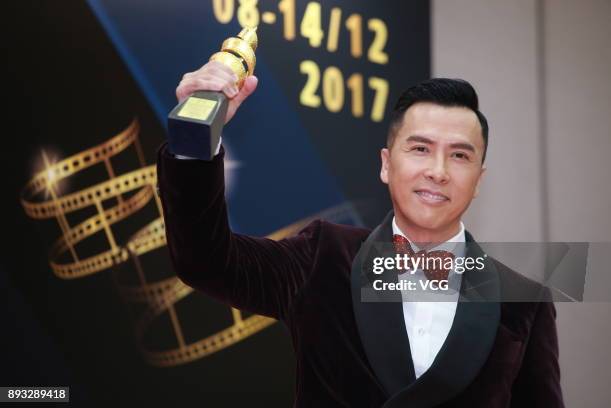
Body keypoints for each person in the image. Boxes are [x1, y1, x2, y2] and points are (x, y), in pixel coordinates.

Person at [156, 61, 564, 407]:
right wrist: (195, 135)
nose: (438, 171)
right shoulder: (323, 256)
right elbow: (204, 259)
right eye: (420, 149)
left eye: (459, 155)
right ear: (386, 164)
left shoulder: (524, 300)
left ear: (478, 180)